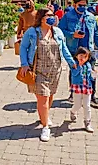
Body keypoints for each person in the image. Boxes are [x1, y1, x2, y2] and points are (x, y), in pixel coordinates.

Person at [19, 7, 75, 142]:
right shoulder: (33, 32)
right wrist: (24, 63)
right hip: (38, 70)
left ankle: (44, 116)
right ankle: (45, 127)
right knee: (43, 98)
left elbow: (64, 48)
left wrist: (72, 62)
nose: (52, 17)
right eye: (49, 15)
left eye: (53, 15)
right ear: (41, 18)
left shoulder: (57, 32)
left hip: (55, 70)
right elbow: (23, 47)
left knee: (50, 96)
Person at [59, 0, 98, 107]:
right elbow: (60, 30)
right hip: (74, 49)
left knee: (91, 72)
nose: (82, 7)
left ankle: (92, 96)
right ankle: (73, 94)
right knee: (75, 71)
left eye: (84, 5)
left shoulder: (91, 17)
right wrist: (72, 34)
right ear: (74, 5)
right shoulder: (68, 16)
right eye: (80, 5)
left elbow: (96, 34)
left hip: (89, 50)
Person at [69, 47, 96, 132]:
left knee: (87, 106)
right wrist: (79, 66)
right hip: (77, 87)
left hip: (87, 87)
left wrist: (94, 75)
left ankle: (87, 122)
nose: (82, 58)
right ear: (76, 56)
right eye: (81, 55)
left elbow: (90, 76)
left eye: (85, 57)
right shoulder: (74, 64)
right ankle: (73, 111)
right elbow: (74, 73)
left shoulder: (88, 65)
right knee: (78, 104)